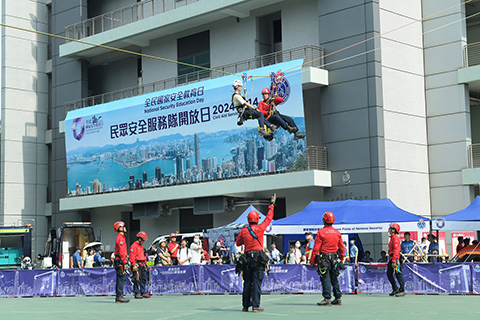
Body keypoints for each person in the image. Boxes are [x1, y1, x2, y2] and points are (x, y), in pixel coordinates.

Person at [236, 193, 276, 312]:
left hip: (247, 259)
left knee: (247, 283)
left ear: (248, 219)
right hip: (258, 258)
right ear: (257, 219)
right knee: (257, 283)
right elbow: (269, 218)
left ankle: (245, 306)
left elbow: (238, 243)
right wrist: (271, 205)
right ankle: (255, 306)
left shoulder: (243, 231)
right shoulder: (260, 228)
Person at [311, 211, 345, 306]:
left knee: (325, 278)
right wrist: (341, 258)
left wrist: (313, 261)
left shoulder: (321, 232)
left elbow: (316, 248)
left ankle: (327, 298)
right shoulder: (337, 233)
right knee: (334, 278)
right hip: (334, 258)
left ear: (324, 220)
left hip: (324, 259)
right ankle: (338, 298)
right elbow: (341, 247)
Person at [130, 231, 150, 299]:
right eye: (143, 240)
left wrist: (146, 263)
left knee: (143, 278)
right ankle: (136, 293)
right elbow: (132, 256)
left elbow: (143, 256)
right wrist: (133, 265)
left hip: (142, 264)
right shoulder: (134, 246)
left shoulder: (141, 246)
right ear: (139, 239)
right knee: (137, 279)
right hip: (137, 264)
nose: (143, 242)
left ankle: (143, 292)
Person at [387, 223, 405, 297]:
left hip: (395, 258)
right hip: (392, 258)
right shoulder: (392, 238)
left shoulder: (395, 238)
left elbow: (396, 250)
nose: (388, 229)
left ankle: (402, 290)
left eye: (390, 228)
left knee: (398, 274)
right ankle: (395, 288)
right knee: (389, 273)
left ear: (394, 230)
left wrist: (394, 260)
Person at [113, 221, 129, 303]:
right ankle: (119, 296)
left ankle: (120, 295)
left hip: (119, 260)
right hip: (120, 261)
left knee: (121, 278)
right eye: (123, 226)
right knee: (121, 279)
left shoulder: (121, 237)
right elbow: (122, 252)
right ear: (119, 228)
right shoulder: (120, 238)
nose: (125, 228)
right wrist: (125, 262)